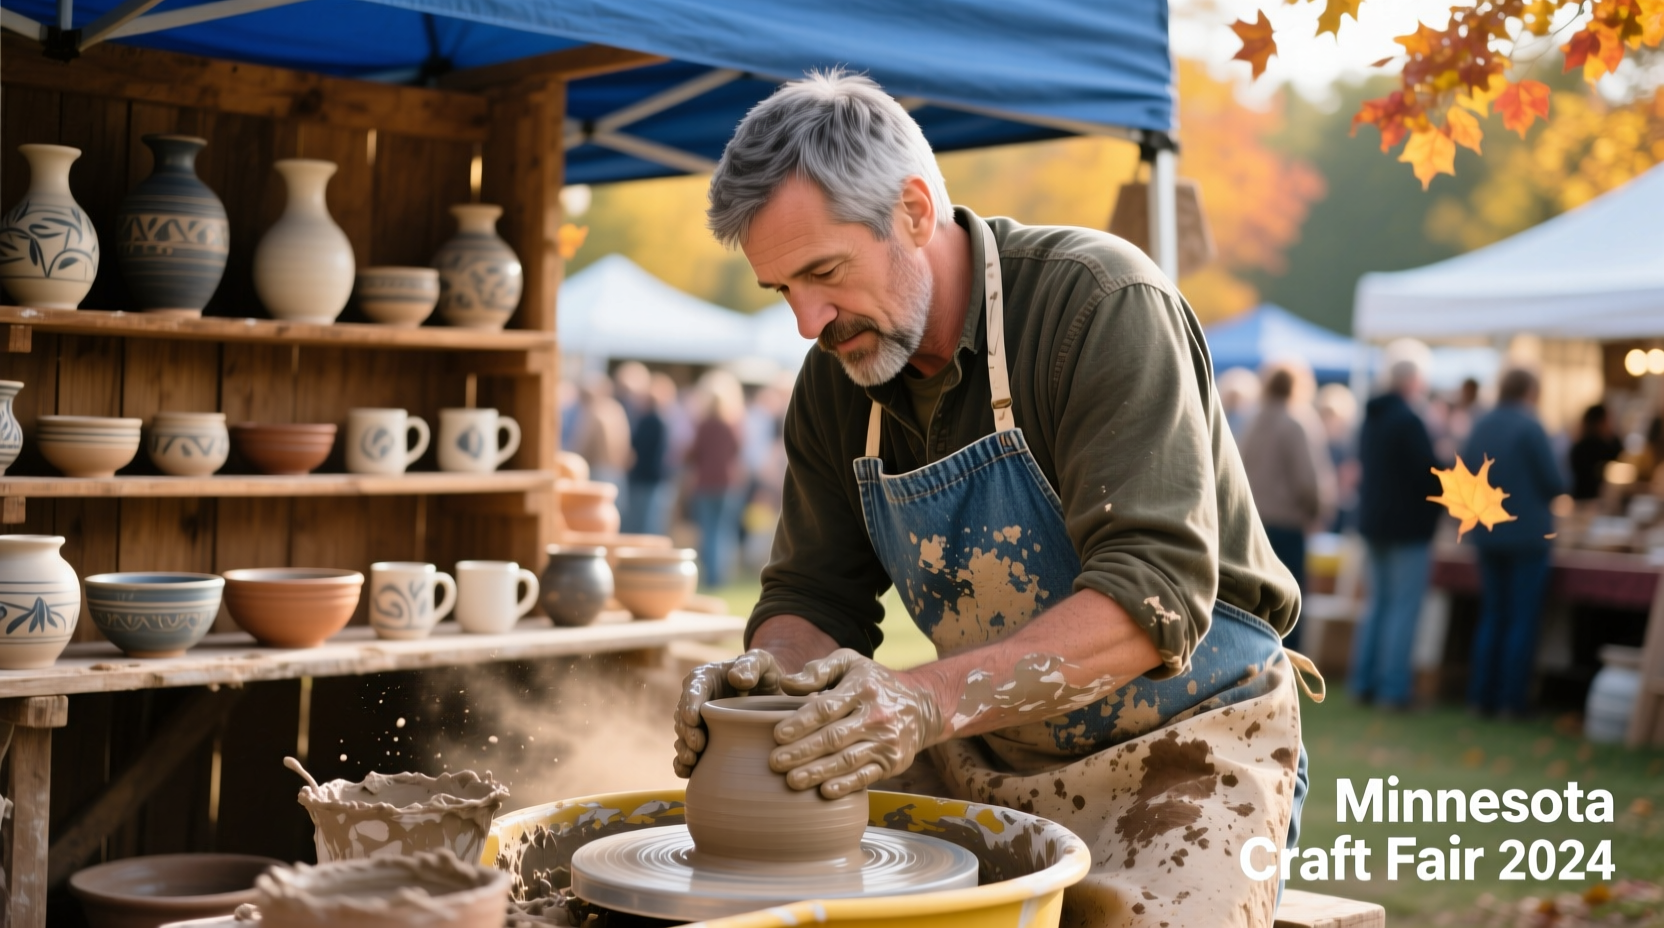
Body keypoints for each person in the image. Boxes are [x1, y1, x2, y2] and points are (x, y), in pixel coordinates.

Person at [672, 71, 1307, 926]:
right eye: (783, 289)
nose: (806, 322)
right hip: (979, 754)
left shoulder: (1097, 304)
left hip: (1190, 746)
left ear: (915, 212)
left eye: (824, 272)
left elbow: (1151, 591)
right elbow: (811, 596)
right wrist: (764, 690)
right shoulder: (835, 381)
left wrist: (924, 697)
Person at [1462, 369, 1563, 719]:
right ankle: (1510, 700)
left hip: (1487, 532)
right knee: (1521, 618)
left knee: (1492, 615)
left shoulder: (1482, 424)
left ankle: (1481, 696)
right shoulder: (1531, 426)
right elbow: (1554, 480)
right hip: (1525, 535)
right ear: (1531, 390)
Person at [1352, 344, 1442, 710]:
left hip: (1375, 522)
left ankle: (1365, 681)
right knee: (1402, 608)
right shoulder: (1408, 419)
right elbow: (1428, 475)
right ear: (1414, 379)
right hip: (1405, 526)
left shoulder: (1372, 418)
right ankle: (1392, 688)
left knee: (1378, 606)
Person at [1240, 361, 1335, 652]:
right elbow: (1308, 480)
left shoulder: (1251, 422)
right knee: (1287, 603)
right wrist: (1318, 510)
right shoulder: (1295, 423)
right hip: (1286, 524)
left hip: (1252, 523)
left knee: (1254, 602)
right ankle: (1285, 663)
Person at [686, 369, 746, 589]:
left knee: (710, 530)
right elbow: (738, 451)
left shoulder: (703, 426)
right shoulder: (731, 426)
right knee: (724, 531)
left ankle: (713, 576)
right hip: (727, 484)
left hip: (706, 484)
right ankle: (720, 574)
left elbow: (692, 454)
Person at [569, 371, 632, 490]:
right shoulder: (616, 409)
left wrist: (574, 461)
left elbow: (583, 444)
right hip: (617, 471)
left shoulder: (594, 412)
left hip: (598, 470)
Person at [1568, 404, 1622, 500]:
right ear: (1600, 423)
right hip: (1596, 500)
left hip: (1579, 499)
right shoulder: (1605, 447)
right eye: (1608, 420)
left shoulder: (1578, 446)